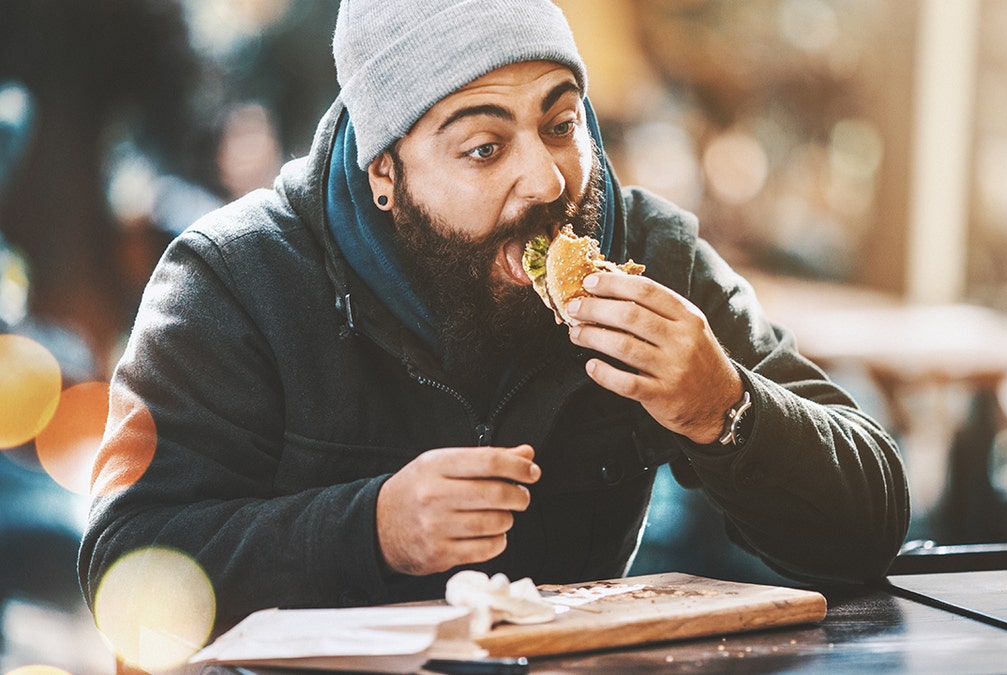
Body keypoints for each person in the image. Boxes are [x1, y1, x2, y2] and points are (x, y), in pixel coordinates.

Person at [79, 0, 909, 636]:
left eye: (560, 124)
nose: (547, 181)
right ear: (385, 170)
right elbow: (124, 565)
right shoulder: (235, 281)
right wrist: (368, 530)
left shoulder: (651, 252)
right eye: (484, 147)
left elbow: (871, 524)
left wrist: (724, 408)